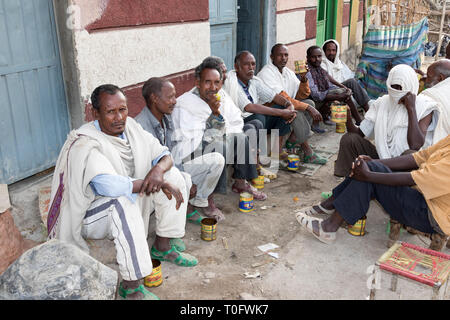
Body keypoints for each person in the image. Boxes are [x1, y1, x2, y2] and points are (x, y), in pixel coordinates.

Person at [47, 84, 197, 301]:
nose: (119, 117)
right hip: (91, 213)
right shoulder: (85, 142)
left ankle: (163, 246)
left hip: (131, 195)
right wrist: (157, 182)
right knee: (121, 202)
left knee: (174, 175)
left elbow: (165, 154)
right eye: (110, 112)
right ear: (95, 113)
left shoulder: (132, 128)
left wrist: (158, 171)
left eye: (123, 109)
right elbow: (108, 186)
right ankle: (131, 286)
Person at [295, 134, 450, 246]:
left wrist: (369, 174)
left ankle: (329, 227)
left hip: (431, 216)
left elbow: (415, 178)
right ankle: (331, 205)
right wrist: (374, 162)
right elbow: (419, 157)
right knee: (367, 167)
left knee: (368, 175)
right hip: (424, 199)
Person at [172, 58, 268, 201]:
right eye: (207, 82)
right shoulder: (186, 104)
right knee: (219, 146)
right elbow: (191, 139)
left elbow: (235, 118)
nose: (213, 87)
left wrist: (217, 116)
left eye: (217, 82)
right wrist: (214, 114)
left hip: (214, 140)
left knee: (240, 137)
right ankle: (208, 198)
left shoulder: (220, 95)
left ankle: (241, 182)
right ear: (198, 83)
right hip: (189, 152)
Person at [135, 77, 225, 222]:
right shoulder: (140, 126)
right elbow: (147, 168)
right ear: (154, 98)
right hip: (151, 179)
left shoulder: (166, 118)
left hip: (168, 170)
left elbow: (173, 154)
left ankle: (197, 202)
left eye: (175, 96)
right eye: (170, 97)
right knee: (184, 179)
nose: (175, 101)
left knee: (217, 160)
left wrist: (182, 174)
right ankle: (172, 223)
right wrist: (183, 179)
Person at [333, 64, 438, 177]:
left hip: (407, 164)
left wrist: (411, 109)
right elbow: (359, 133)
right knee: (349, 139)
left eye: (401, 88)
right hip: (382, 157)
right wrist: (348, 118)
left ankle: (395, 186)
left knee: (411, 154)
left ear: (411, 85)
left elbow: (416, 145)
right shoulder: (381, 103)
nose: (397, 91)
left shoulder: (424, 106)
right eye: (394, 87)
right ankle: (349, 177)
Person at [222, 50, 299, 164]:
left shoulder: (254, 81)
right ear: (236, 67)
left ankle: (276, 151)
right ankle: (257, 159)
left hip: (255, 121)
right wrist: (282, 112)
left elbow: (273, 96)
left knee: (283, 111)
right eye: (246, 64)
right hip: (239, 122)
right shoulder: (232, 83)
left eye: (253, 64)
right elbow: (249, 107)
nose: (251, 67)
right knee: (259, 117)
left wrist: (289, 105)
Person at [257, 44, 328, 165]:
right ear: (271, 56)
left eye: (286, 55)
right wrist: (308, 108)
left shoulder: (287, 72)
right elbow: (284, 98)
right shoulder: (266, 73)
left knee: (309, 102)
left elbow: (302, 96)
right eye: (280, 55)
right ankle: (307, 151)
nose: (283, 58)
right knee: (296, 110)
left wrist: (304, 79)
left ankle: (293, 140)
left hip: (283, 110)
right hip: (268, 114)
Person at [306, 45, 365, 125]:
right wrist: (339, 96)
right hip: (315, 102)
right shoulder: (308, 71)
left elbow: (329, 81)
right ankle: (357, 122)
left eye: (319, 56)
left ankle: (365, 113)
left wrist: (344, 88)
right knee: (343, 93)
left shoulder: (319, 68)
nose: (317, 59)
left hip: (325, 93)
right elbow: (316, 95)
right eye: (313, 57)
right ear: (308, 58)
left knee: (349, 84)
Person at [321, 39, 371, 112]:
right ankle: (367, 110)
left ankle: (367, 110)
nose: (331, 53)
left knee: (354, 83)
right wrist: (344, 87)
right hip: (330, 89)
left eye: (333, 50)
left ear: (336, 51)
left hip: (341, 87)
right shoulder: (322, 64)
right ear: (324, 51)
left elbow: (348, 75)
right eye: (328, 50)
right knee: (351, 82)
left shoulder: (339, 63)